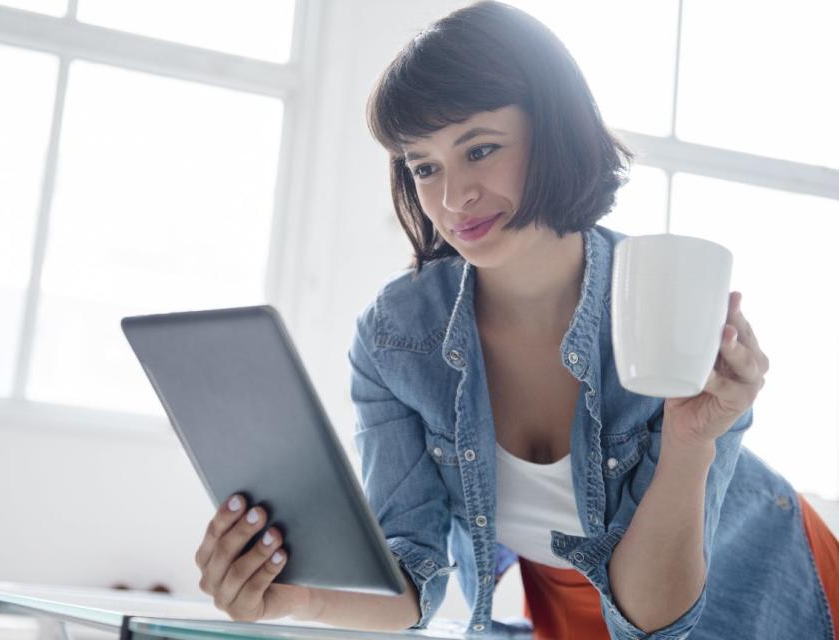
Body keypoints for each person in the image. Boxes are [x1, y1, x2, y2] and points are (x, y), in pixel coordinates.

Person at [194, 2, 839, 638]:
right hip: (569, 612)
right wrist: (289, 596)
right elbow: (412, 576)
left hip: (762, 589)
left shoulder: (663, 306)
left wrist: (691, 442)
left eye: (480, 150)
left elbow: (654, 619)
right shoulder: (398, 338)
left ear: (553, 130)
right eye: (424, 166)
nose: (452, 198)